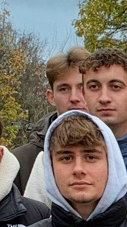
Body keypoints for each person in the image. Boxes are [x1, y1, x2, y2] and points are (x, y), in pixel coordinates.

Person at [24, 48, 127, 222]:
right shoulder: (49, 161)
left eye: (115, 87)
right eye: (94, 87)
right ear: (84, 93)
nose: (104, 97)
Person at [12, 47, 90, 191]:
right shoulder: (19, 161)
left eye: (82, 88)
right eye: (64, 89)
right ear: (51, 96)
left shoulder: (117, 151)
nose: (74, 98)